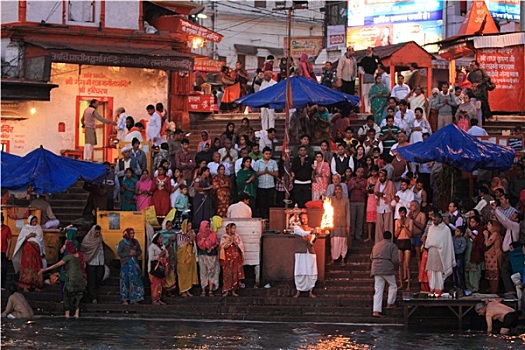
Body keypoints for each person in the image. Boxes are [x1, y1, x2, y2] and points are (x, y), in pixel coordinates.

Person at [40, 241, 86, 318]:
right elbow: (84, 266)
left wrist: (45, 269)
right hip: (80, 278)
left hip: (71, 278)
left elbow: (56, 265)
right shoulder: (80, 255)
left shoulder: (68, 257)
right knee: (78, 295)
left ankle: (67, 314)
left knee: (67, 295)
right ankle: (76, 314)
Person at [425, 212, 456, 297]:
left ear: (440, 219)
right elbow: (428, 241)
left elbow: (447, 243)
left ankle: (439, 289)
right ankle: (432, 289)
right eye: (433, 219)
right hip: (431, 252)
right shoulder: (431, 228)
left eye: (435, 219)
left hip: (441, 253)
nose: (433, 221)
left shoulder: (446, 229)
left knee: (439, 272)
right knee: (431, 272)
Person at [12, 215, 44, 292]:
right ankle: (25, 286)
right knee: (27, 267)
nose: (34, 223)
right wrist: (28, 236)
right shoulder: (25, 228)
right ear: (30, 221)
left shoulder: (39, 228)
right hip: (27, 251)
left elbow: (40, 240)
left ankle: (36, 285)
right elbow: (20, 239)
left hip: (36, 251)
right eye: (33, 221)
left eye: (36, 221)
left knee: (36, 267)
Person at [371, 231, 399, 317]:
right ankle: (390, 303)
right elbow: (395, 260)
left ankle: (376, 310)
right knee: (393, 285)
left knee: (378, 290)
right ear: (390, 238)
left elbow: (371, 257)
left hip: (376, 268)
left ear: (383, 237)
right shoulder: (392, 246)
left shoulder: (376, 245)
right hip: (387, 267)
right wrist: (397, 267)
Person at [293, 213, 318, 298]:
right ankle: (298, 290)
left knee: (311, 271)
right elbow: (302, 233)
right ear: (300, 219)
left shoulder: (311, 229)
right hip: (300, 252)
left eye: (306, 218)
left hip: (310, 252)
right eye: (303, 218)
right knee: (299, 270)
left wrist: (316, 236)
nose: (305, 220)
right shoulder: (296, 228)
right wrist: (312, 231)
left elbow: (311, 242)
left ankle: (310, 290)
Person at [117, 228, 144, 305]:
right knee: (125, 281)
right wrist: (129, 254)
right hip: (125, 264)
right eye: (131, 233)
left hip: (134, 265)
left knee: (135, 281)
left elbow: (140, 251)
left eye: (133, 233)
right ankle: (124, 299)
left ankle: (135, 298)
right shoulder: (122, 243)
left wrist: (135, 253)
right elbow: (119, 253)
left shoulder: (135, 242)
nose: (132, 235)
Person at [80, 225, 105, 304]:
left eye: (99, 232)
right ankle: (93, 297)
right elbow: (83, 248)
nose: (97, 234)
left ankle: (93, 292)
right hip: (91, 261)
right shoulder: (87, 239)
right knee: (91, 280)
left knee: (99, 275)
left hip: (100, 261)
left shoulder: (100, 238)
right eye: (96, 232)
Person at [219, 223, 245, 297]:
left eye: (234, 228)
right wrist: (230, 242)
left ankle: (234, 290)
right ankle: (226, 290)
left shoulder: (237, 236)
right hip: (227, 258)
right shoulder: (224, 237)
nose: (233, 230)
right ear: (228, 229)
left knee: (235, 274)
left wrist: (235, 243)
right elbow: (222, 247)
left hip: (235, 258)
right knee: (227, 273)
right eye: (232, 228)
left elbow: (240, 246)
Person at [253, 147, 278, 219]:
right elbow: (255, 174)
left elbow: (276, 174)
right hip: (261, 186)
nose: (268, 155)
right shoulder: (258, 162)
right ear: (263, 154)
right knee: (261, 204)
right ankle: (262, 219)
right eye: (266, 154)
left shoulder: (273, 162)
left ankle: (270, 219)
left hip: (270, 186)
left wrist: (269, 172)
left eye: (269, 154)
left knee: (270, 203)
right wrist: (263, 172)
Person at [328, 185, 350, 266]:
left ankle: (343, 258)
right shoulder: (331, 200)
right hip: (334, 223)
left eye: (339, 189)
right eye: (336, 189)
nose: (338, 191)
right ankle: (333, 258)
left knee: (343, 241)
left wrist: (348, 225)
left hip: (343, 223)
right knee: (334, 241)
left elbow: (348, 213)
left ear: (342, 190)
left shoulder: (346, 200)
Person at [196, 220, 220, 297]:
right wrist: (204, 238)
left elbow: (216, 243)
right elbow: (199, 245)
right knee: (203, 273)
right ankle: (203, 290)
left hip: (212, 256)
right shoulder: (199, 235)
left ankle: (210, 290)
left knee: (212, 273)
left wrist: (212, 247)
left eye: (208, 226)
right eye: (206, 227)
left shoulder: (213, 234)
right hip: (203, 256)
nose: (207, 228)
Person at [176, 220, 198, 297]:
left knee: (189, 273)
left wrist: (192, 238)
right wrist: (189, 239)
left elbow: (193, 243)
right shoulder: (180, 234)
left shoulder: (192, 232)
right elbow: (180, 246)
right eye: (188, 226)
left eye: (190, 226)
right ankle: (182, 290)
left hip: (190, 255)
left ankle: (188, 289)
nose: (190, 228)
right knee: (183, 273)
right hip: (183, 257)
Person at [374, 169, 395, 242]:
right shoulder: (378, 183)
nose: (381, 178)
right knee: (379, 226)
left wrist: (384, 195)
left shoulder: (390, 183)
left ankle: (388, 242)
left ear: (386, 176)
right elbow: (375, 193)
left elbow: (392, 195)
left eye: (382, 176)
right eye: (380, 176)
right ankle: (379, 242)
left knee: (387, 226)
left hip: (387, 206)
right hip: (379, 206)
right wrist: (377, 195)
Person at [394, 207, 413, 291]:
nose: (402, 214)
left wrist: (405, 226)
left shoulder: (410, 221)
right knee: (400, 263)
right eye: (400, 213)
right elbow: (395, 234)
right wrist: (400, 227)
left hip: (407, 241)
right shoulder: (397, 221)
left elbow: (410, 234)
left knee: (407, 264)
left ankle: (408, 284)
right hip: (399, 241)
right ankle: (401, 283)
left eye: (403, 213)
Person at [484, 219, 503, 294]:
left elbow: (487, 244)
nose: (488, 227)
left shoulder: (495, 234)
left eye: (489, 225)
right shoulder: (492, 234)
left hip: (494, 257)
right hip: (489, 257)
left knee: (494, 275)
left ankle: (494, 290)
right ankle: (492, 289)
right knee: (490, 275)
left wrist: (486, 236)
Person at [148, 232, 168, 305]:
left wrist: (164, 254)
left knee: (160, 284)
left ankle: (159, 299)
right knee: (155, 285)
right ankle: (154, 300)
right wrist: (159, 256)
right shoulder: (152, 247)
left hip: (161, 268)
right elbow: (151, 258)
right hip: (154, 268)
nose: (161, 239)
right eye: (160, 237)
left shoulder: (162, 246)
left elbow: (166, 255)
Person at [348, 167, 367, 240]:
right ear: (355, 172)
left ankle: (358, 235)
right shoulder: (351, 180)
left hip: (361, 201)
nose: (360, 173)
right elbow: (348, 189)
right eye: (358, 171)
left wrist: (360, 188)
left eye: (361, 172)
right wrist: (353, 186)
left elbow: (366, 191)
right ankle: (352, 235)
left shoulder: (364, 181)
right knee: (352, 219)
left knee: (360, 219)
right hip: (352, 201)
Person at [452, 226, 467, 290]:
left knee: (459, 271)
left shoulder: (462, 240)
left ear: (461, 233)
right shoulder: (453, 238)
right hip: (453, 256)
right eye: (455, 231)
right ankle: (455, 285)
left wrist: (455, 251)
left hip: (459, 256)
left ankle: (460, 286)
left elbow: (462, 249)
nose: (456, 232)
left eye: (458, 231)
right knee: (454, 271)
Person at [1, 213, 12, 289]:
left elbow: (10, 239)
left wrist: (8, 250)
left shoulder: (7, 228)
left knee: (4, 268)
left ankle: (2, 285)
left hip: (4, 250)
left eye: (2, 221)